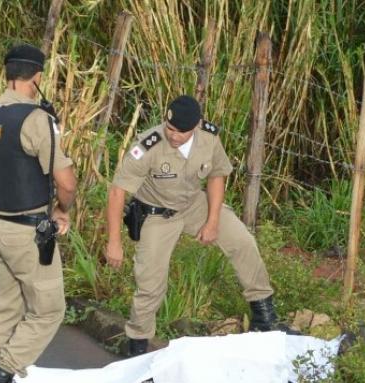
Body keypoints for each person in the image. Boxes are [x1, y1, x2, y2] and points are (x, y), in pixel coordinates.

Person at [105, 94, 290, 357]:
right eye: (170, 128)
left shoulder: (208, 138)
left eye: (182, 132)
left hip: (194, 204)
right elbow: (117, 192)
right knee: (150, 282)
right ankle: (138, 346)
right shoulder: (148, 145)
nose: (174, 135)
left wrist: (213, 221)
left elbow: (217, 175)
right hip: (157, 214)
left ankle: (264, 317)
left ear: (196, 126)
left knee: (242, 242)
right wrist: (114, 241)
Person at [0, 44, 76, 383]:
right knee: (48, 310)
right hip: (27, 232)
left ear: (7, 72)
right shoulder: (35, 120)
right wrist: (62, 210)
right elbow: (64, 181)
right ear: (38, 77)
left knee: (9, 308)